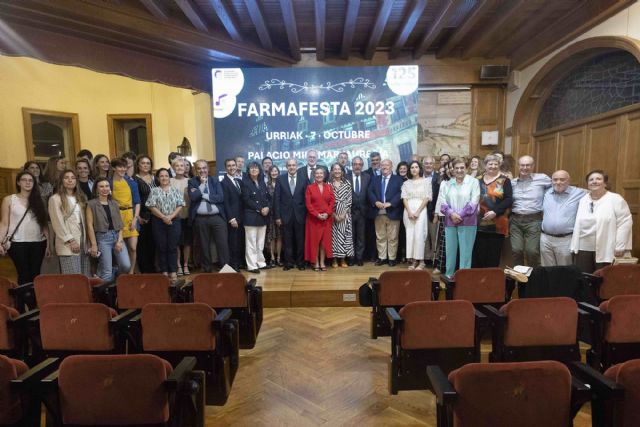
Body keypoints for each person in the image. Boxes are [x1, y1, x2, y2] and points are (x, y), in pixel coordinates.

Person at [571, 170, 633, 273]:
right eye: (591, 180)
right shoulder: (583, 200)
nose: (594, 181)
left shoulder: (615, 199)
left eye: (598, 179)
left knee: (603, 278)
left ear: (605, 183)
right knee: (584, 278)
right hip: (583, 248)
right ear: (587, 184)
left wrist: (620, 245)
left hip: (606, 247)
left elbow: (625, 222)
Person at [0, 171, 49, 284]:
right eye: (24, 180)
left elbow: (44, 224)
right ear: (18, 182)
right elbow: (4, 223)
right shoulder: (9, 199)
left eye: (30, 180)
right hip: (17, 242)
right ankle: (22, 300)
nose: (27, 182)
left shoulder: (39, 200)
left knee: (36, 274)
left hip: (38, 242)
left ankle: (33, 300)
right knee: (23, 273)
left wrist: (48, 244)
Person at [439, 158, 480, 278]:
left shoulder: (473, 182)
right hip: (450, 221)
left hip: (467, 221)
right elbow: (442, 202)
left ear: (466, 168)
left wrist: (460, 215)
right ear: (452, 169)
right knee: (450, 252)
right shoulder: (447, 184)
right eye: (456, 168)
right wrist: (452, 214)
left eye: (462, 167)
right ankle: (449, 276)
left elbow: (474, 201)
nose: (459, 170)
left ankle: (464, 278)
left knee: (466, 253)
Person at [188, 159, 229, 271]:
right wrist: (201, 185)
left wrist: (204, 195)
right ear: (196, 170)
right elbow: (194, 197)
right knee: (203, 245)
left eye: (204, 168)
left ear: (208, 169)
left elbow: (220, 198)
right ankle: (207, 268)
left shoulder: (214, 180)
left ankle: (225, 267)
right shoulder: (192, 182)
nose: (202, 170)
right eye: (199, 168)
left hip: (217, 217)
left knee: (222, 244)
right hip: (200, 219)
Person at [86, 178, 131, 282]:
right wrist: (94, 244)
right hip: (103, 238)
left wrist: (119, 241)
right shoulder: (91, 204)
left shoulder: (114, 203)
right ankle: (106, 294)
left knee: (126, 266)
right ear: (96, 189)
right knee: (107, 273)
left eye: (107, 186)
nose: (104, 189)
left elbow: (120, 225)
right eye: (101, 186)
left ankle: (114, 274)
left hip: (117, 236)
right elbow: (89, 225)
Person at [510, 155, 551, 267]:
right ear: (518, 166)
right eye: (522, 165)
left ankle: (533, 278)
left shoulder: (542, 178)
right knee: (516, 250)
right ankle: (519, 280)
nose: (525, 167)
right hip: (515, 220)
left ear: (533, 166)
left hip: (534, 220)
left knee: (532, 251)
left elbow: (558, 185)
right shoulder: (512, 183)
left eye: (528, 165)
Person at [472, 154, 513, 268]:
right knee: (478, 255)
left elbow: (509, 199)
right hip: (478, 223)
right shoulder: (477, 180)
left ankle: (491, 283)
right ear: (485, 165)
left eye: (496, 164)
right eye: (490, 164)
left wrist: (495, 211)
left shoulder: (504, 180)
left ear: (499, 165)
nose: (493, 166)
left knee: (493, 256)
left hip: (497, 224)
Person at [540, 170, 586, 267]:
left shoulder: (579, 193)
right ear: (551, 181)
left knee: (564, 270)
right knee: (547, 270)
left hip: (565, 240)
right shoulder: (546, 192)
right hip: (545, 239)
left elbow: (596, 192)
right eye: (555, 179)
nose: (558, 182)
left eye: (562, 179)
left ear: (569, 181)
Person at [48, 170, 89, 276]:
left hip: (82, 240)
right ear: (61, 181)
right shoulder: (55, 199)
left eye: (73, 177)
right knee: (73, 278)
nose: (70, 180)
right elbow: (57, 222)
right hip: (67, 242)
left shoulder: (80, 197)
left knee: (84, 276)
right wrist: (70, 240)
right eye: (66, 177)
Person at [146, 168, 184, 280]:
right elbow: (151, 206)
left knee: (172, 246)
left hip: (174, 220)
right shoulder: (154, 191)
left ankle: (173, 270)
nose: (164, 178)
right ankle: (164, 270)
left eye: (166, 176)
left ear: (169, 177)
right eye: (161, 176)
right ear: (158, 178)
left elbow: (180, 205)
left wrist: (170, 217)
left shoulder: (175, 190)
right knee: (161, 247)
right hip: (158, 221)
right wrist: (163, 217)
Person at [368, 159, 404, 266]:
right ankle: (382, 257)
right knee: (380, 236)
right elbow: (370, 192)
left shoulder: (398, 179)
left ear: (391, 166)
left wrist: (391, 203)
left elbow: (401, 193)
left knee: (393, 237)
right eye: (382, 165)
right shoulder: (375, 179)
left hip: (393, 211)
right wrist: (375, 201)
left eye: (387, 165)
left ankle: (392, 258)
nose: (384, 167)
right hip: (378, 212)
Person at [274, 159, 307, 271]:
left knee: (300, 241)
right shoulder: (280, 179)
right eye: (289, 165)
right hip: (285, 216)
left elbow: (307, 198)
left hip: (300, 215)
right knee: (287, 241)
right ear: (286, 167)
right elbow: (276, 199)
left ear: (297, 166)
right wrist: (277, 216)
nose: (292, 167)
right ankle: (288, 263)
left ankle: (300, 263)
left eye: (293, 165)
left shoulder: (304, 178)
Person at [110, 157, 140, 274]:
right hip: (116, 217)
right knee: (119, 247)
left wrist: (135, 219)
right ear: (113, 168)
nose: (123, 169)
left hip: (130, 215)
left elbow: (137, 202)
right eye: (119, 167)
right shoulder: (109, 182)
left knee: (133, 247)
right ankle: (121, 272)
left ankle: (131, 272)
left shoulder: (131, 182)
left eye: (124, 167)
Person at [242, 162, 271, 274]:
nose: (254, 170)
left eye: (256, 168)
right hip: (251, 217)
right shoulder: (245, 183)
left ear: (259, 170)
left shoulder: (262, 182)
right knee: (251, 242)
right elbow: (246, 200)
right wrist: (260, 209)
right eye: (251, 168)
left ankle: (260, 262)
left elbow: (267, 197)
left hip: (263, 217)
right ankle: (252, 265)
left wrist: (268, 207)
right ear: (248, 171)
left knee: (260, 243)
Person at [401, 161, 431, 270]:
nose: (414, 169)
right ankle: (413, 261)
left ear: (420, 169)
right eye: (412, 167)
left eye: (416, 167)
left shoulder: (426, 182)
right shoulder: (406, 183)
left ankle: (421, 261)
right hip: (408, 210)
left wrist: (418, 211)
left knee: (420, 235)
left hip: (421, 210)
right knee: (410, 235)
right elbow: (404, 198)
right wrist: (409, 211)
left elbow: (427, 198)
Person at [305, 168, 334, 271]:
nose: (319, 175)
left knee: (323, 242)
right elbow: (308, 204)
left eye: (321, 173)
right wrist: (317, 215)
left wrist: (327, 213)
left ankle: (322, 262)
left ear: (324, 175)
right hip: (314, 219)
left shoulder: (329, 187)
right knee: (315, 242)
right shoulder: (309, 187)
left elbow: (332, 202)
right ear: (314, 175)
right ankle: (315, 262)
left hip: (326, 219)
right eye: (317, 173)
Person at [132, 155, 157, 273]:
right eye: (143, 163)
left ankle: (153, 269)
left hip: (156, 214)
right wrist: (137, 216)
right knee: (142, 245)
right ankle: (145, 271)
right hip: (143, 215)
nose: (146, 165)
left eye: (148, 163)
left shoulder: (155, 178)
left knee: (153, 243)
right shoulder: (134, 179)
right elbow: (134, 199)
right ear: (138, 165)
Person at [220, 158, 245, 271]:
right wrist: (231, 218)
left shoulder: (239, 181)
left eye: (233, 165)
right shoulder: (223, 183)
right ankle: (234, 264)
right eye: (229, 166)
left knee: (240, 241)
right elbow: (225, 202)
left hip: (242, 217)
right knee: (233, 243)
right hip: (233, 218)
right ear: (226, 168)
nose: (232, 167)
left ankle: (240, 262)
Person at [346, 156, 370, 266]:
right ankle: (351, 258)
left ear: (362, 166)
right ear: (352, 165)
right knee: (350, 237)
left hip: (363, 212)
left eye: (360, 164)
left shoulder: (367, 177)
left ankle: (359, 258)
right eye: (355, 164)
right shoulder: (345, 177)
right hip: (349, 212)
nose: (357, 166)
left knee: (361, 236)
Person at [170, 157, 192, 275]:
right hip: (174, 216)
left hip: (187, 214)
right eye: (177, 166)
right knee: (177, 242)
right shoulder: (169, 181)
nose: (179, 168)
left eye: (182, 166)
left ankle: (186, 265)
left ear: (185, 168)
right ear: (173, 168)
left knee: (187, 242)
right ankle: (178, 265)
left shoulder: (191, 181)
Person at [329, 163, 353, 268]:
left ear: (342, 171)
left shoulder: (347, 183)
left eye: (339, 169)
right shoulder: (328, 184)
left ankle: (343, 260)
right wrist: (334, 214)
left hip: (345, 214)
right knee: (334, 238)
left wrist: (343, 214)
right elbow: (327, 201)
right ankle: (334, 260)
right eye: (335, 169)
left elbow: (349, 200)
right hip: (332, 213)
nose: (337, 171)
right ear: (332, 171)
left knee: (344, 237)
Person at [422, 156, 440, 265]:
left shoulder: (440, 178)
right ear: (423, 165)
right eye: (426, 163)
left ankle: (435, 258)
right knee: (424, 236)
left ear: (434, 165)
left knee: (434, 236)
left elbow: (440, 197)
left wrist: (436, 211)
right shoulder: (418, 177)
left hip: (434, 212)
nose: (428, 165)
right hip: (421, 212)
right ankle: (426, 258)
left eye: (430, 163)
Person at [265, 165, 282, 267]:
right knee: (271, 237)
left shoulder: (282, 184)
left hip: (280, 214)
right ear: (269, 173)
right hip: (270, 215)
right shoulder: (266, 185)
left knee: (280, 237)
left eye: (276, 171)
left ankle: (279, 258)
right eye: (272, 171)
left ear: (278, 172)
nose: (274, 173)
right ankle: (272, 258)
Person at [396, 161, 409, 263]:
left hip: (408, 210)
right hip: (397, 210)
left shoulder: (410, 180)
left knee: (406, 234)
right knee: (399, 234)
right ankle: (400, 255)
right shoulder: (395, 179)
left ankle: (407, 255)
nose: (403, 170)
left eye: (404, 168)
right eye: (401, 168)